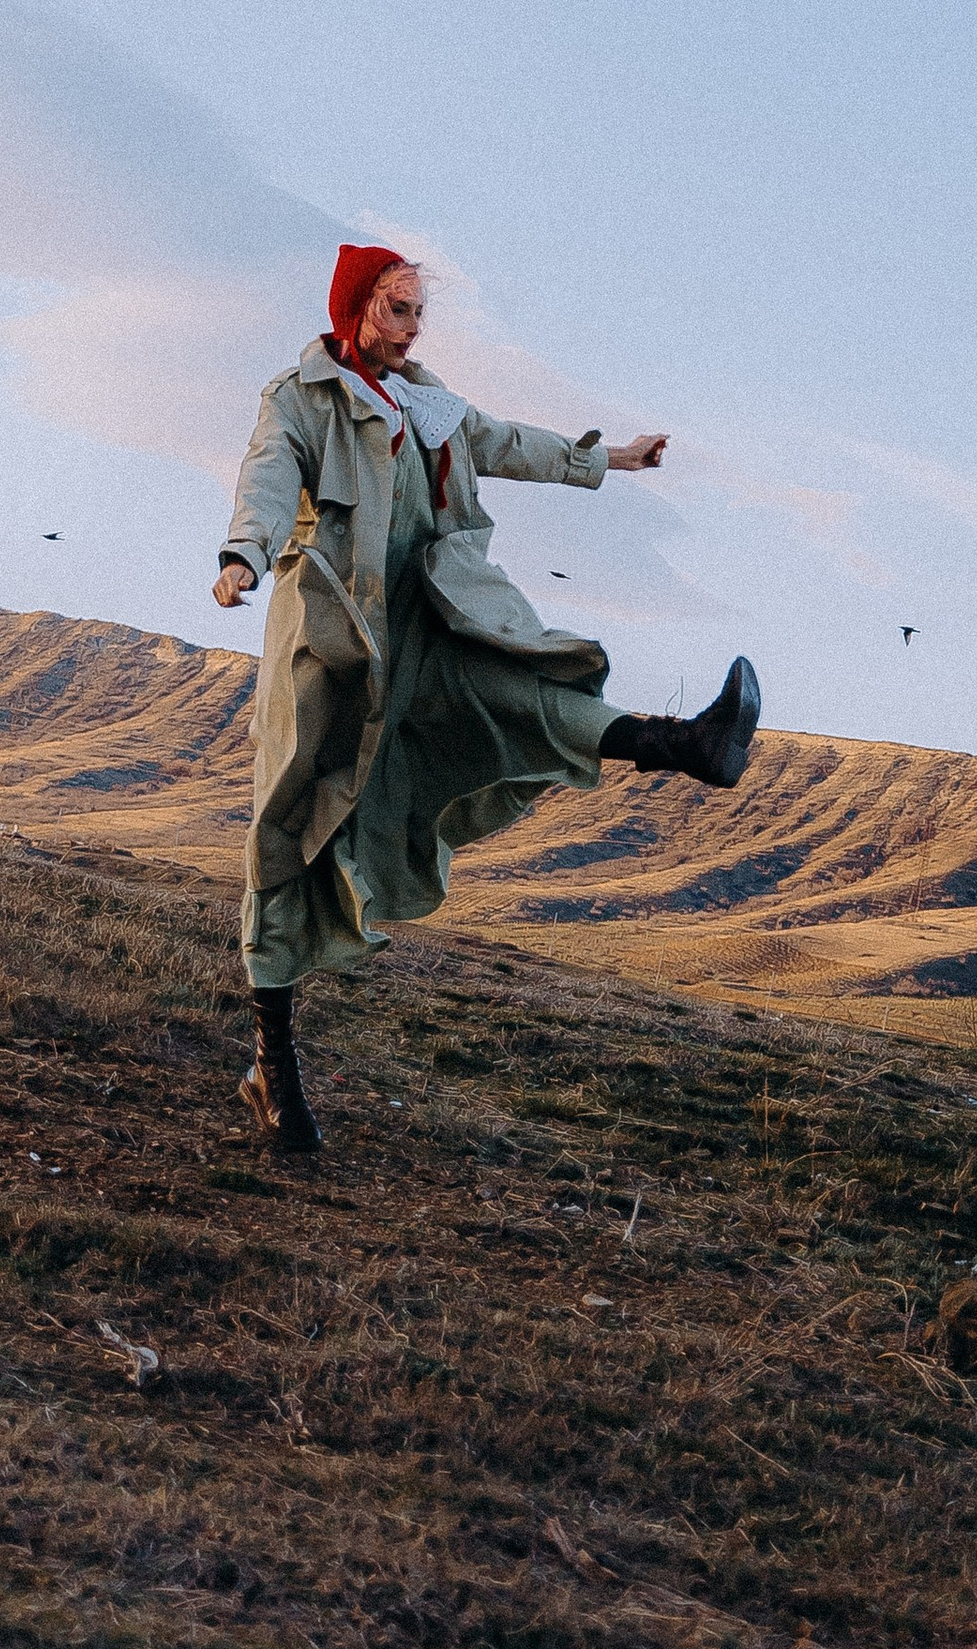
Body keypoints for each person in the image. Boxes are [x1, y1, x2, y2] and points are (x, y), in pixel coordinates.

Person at [212, 243, 759, 1153]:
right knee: (288, 832)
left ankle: (689, 744)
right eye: (397, 308)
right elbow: (267, 476)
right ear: (356, 309)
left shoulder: (430, 404)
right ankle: (273, 1071)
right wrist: (242, 552)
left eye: (419, 311)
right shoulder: (301, 399)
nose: (413, 326)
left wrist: (611, 459)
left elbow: (509, 442)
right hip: (336, 647)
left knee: (518, 688)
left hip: (431, 622)